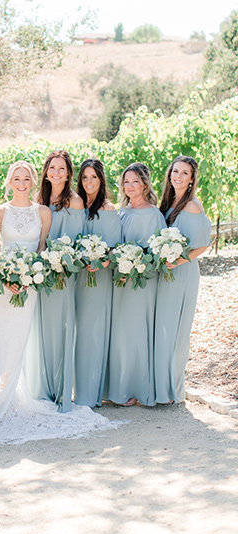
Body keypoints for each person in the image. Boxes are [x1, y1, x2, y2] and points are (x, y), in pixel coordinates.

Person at [0, 161, 121, 444]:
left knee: (20, 339)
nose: (22, 182)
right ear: (9, 181)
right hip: (3, 286)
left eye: (27, 178)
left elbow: (41, 250)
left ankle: (12, 393)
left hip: (30, 286)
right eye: (16, 178)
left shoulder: (43, 212)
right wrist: (7, 277)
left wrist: (29, 278)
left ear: (33, 181)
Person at [25, 151, 84, 412]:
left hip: (62, 275)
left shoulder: (75, 201)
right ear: (46, 171)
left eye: (62, 168)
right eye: (52, 168)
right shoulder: (39, 199)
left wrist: (60, 262)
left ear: (69, 173)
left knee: (62, 328)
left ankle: (61, 389)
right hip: (40, 275)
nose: (56, 173)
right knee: (42, 329)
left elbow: (76, 240)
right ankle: (42, 388)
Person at [106, 162, 166, 407]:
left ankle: (139, 389)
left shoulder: (154, 214)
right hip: (120, 280)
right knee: (120, 333)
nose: (130, 186)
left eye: (135, 182)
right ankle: (120, 388)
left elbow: (159, 249)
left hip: (142, 281)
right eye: (126, 182)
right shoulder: (122, 211)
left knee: (137, 331)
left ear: (144, 183)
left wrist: (137, 263)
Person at [154, 156, 211, 404]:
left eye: (184, 173)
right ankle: (159, 384)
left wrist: (177, 262)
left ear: (191, 180)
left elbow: (203, 245)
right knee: (162, 327)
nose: (177, 176)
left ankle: (172, 389)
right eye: (175, 171)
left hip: (183, 272)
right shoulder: (169, 202)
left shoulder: (193, 206)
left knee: (177, 330)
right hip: (166, 271)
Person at [74, 158, 121, 407]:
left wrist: (102, 262)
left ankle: (91, 395)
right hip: (77, 276)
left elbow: (116, 246)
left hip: (98, 278)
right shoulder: (76, 205)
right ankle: (76, 389)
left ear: (101, 179)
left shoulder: (108, 209)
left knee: (93, 333)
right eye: (84, 177)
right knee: (77, 333)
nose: (89, 182)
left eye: (93, 177)